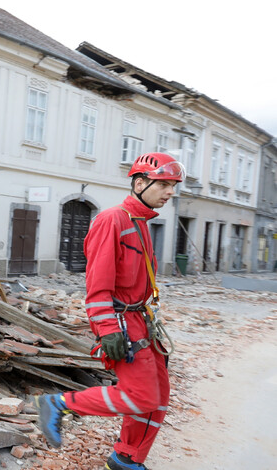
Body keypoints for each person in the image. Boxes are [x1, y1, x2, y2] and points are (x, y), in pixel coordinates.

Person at [34, 152, 185, 470]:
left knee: (158, 396)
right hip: (121, 323)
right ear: (140, 182)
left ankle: (127, 458)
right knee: (142, 396)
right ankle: (58, 404)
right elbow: (97, 287)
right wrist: (108, 330)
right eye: (165, 184)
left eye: (173, 186)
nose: (170, 192)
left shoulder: (140, 223)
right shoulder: (111, 220)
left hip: (142, 320)